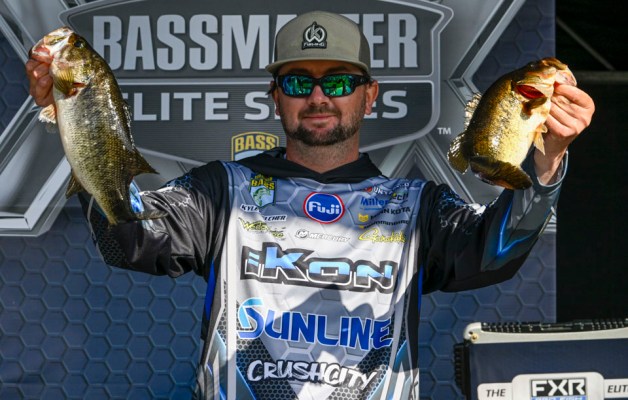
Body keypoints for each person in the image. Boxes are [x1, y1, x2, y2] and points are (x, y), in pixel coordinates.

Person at [25, 10, 594, 400]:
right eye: (298, 83)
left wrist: (546, 165)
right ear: (275, 98)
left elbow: (494, 252)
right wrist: (74, 114)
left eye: (339, 82)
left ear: (369, 96)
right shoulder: (223, 189)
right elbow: (128, 238)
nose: (319, 97)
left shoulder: (415, 205)